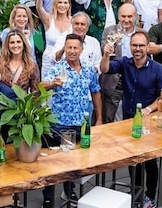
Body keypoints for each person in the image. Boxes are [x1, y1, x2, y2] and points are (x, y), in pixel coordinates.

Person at [100, 30, 162, 208]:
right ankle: (136, 189)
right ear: (130, 47)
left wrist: (148, 109)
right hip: (128, 118)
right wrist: (107, 54)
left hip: (150, 120)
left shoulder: (159, 70)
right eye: (134, 45)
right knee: (133, 158)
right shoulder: (125, 63)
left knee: (149, 160)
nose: (137, 49)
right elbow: (105, 69)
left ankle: (150, 196)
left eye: (140, 45)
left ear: (148, 47)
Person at [42, 33, 102, 206]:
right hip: (61, 125)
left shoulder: (89, 70)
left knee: (77, 161)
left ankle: (69, 192)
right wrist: (53, 83)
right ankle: (48, 197)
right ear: (65, 48)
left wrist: (99, 118)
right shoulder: (58, 68)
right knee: (56, 163)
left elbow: (96, 92)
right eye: (69, 47)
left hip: (82, 124)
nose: (72, 51)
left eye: (75, 48)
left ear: (82, 49)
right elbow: (41, 85)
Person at [99, 3, 138, 123]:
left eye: (130, 16)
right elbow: (104, 51)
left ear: (135, 17)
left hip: (134, 79)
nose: (126, 20)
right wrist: (113, 44)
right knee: (109, 117)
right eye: (123, 16)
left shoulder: (141, 32)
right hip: (113, 80)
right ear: (118, 16)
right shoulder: (110, 31)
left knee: (132, 117)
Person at [36, 0, 72, 80]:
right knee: (47, 87)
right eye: (59, 2)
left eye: (65, 3)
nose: (62, 5)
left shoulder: (74, 21)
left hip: (67, 59)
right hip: (49, 60)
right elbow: (39, 8)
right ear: (55, 4)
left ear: (69, 5)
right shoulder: (49, 19)